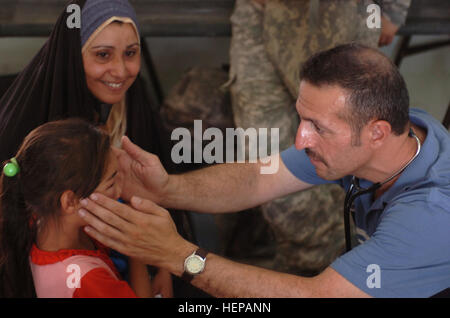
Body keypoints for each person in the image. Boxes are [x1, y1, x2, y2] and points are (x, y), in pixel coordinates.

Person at [78, 43, 449, 297]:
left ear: (377, 133)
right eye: (303, 119)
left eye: (317, 127)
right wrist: (164, 190)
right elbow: (259, 176)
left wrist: (179, 256)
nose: (301, 139)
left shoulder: (429, 216)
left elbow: (317, 294)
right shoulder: (386, 137)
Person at [0, 0, 193, 297]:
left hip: (126, 254)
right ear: (73, 57)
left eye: (131, 53)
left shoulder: (133, 104)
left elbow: (152, 195)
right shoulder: (34, 126)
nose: (120, 71)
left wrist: (159, 265)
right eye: (103, 55)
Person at [222, 0, 412, 276]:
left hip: (339, 12)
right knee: (266, 165)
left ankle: (329, 272)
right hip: (259, 12)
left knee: (342, 156)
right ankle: (306, 269)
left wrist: (395, 8)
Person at [0, 118, 158, 298]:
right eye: (112, 183)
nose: (121, 189)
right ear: (70, 202)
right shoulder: (86, 280)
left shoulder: (39, 221)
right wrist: (136, 249)